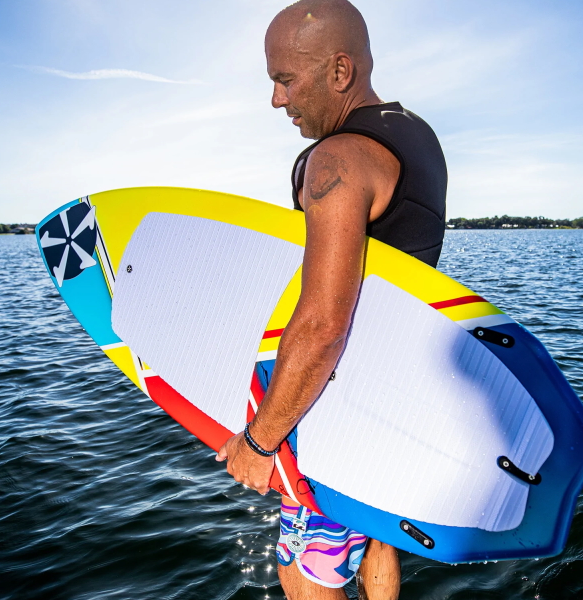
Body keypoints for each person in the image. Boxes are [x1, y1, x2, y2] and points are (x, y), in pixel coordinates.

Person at [216, 1, 447, 598]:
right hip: (401, 390)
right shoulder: (417, 137)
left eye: (285, 79)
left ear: (340, 71)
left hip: (345, 405)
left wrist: (260, 441)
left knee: (303, 571)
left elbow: (322, 323)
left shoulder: (338, 158)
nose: (277, 100)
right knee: (376, 537)